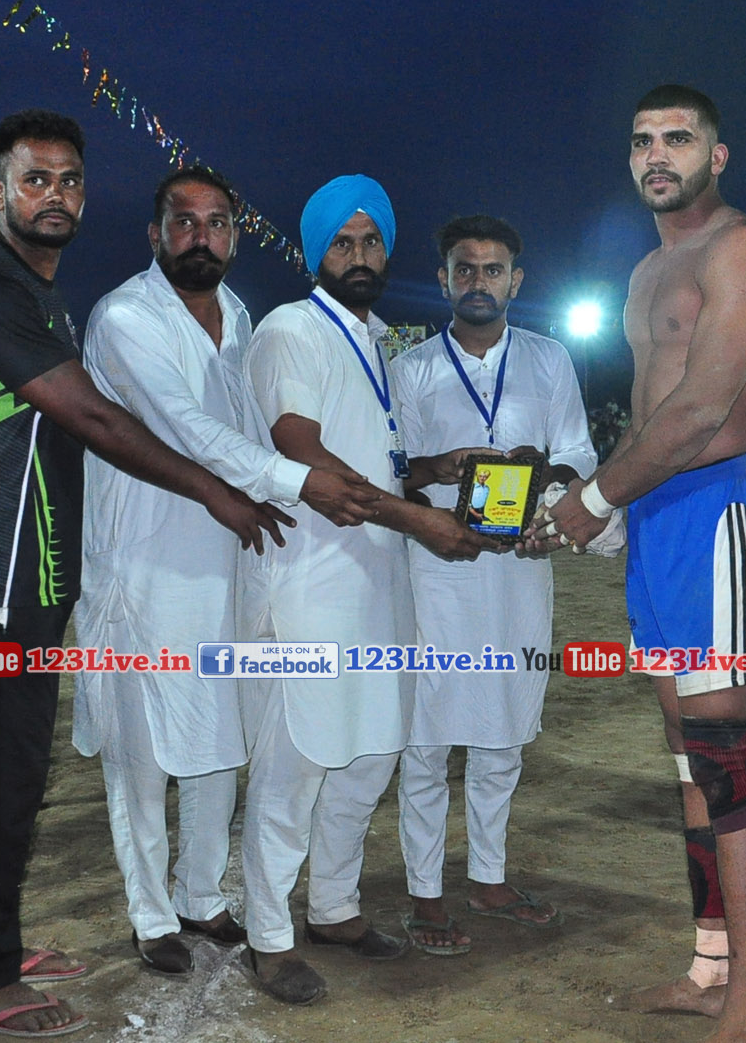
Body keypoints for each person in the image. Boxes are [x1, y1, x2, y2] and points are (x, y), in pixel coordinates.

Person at [0, 111, 292, 1036]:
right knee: (4, 776)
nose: (54, 195)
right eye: (34, 179)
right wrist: (215, 491)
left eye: (69, 180)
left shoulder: (37, 292)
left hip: (37, 569)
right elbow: (96, 420)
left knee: (7, 775)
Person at [528, 85, 746, 1043]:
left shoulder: (741, 250)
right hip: (658, 521)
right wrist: (606, 515)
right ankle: (710, 970)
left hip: (719, 512)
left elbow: (704, 409)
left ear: (716, 156)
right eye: (642, 140)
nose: (657, 154)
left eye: (678, 138)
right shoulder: (647, 269)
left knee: (726, 761)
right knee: (688, 760)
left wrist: (596, 498)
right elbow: (650, 410)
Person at [71, 165, 381, 974]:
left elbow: (246, 428)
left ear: (235, 238)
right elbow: (184, 428)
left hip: (229, 563)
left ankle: (201, 897)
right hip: (144, 570)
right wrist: (297, 481)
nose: (200, 237)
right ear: (156, 233)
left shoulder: (239, 316)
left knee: (218, 739)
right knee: (142, 755)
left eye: (216, 224)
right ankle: (150, 915)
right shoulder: (124, 317)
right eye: (184, 222)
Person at [241, 174, 490, 1005]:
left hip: (378, 582)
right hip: (310, 585)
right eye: (341, 243)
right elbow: (301, 450)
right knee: (300, 759)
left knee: (372, 750)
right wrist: (419, 519)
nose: (358, 255)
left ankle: (335, 908)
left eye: (371, 241)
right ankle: (268, 936)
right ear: (317, 253)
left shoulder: (373, 339)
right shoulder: (291, 330)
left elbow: (369, 458)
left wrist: (434, 469)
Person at [388, 214, 597, 954]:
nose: (479, 281)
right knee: (425, 739)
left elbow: (578, 453)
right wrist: (442, 468)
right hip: (435, 570)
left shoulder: (549, 359)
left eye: (494, 269)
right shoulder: (410, 369)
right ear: (444, 280)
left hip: (518, 568)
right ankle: (424, 893)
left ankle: (488, 876)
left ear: (517, 281)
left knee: (503, 732)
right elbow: (390, 470)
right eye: (465, 269)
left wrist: (545, 476)